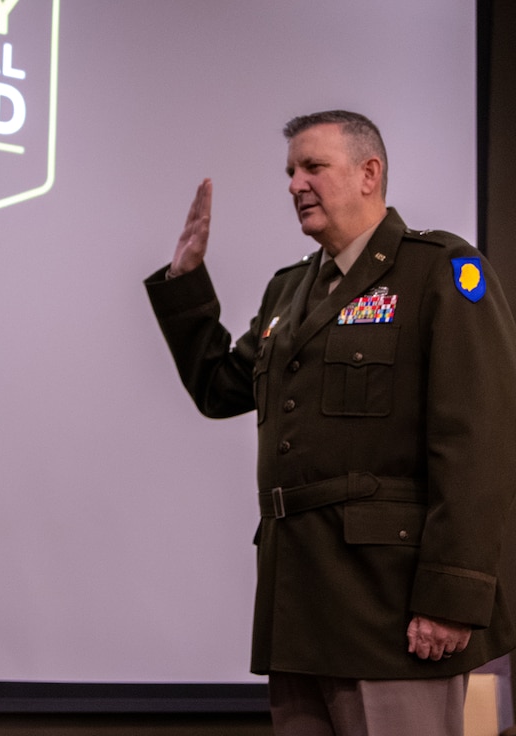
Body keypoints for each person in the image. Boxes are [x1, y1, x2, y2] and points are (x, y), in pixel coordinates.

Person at [145, 110, 516, 735]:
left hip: (392, 609)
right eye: (291, 171)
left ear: (369, 173)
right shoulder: (289, 291)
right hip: (299, 609)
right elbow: (219, 388)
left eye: (313, 166)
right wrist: (186, 280)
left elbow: (477, 445)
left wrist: (451, 600)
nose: (295, 183)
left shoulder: (440, 271)